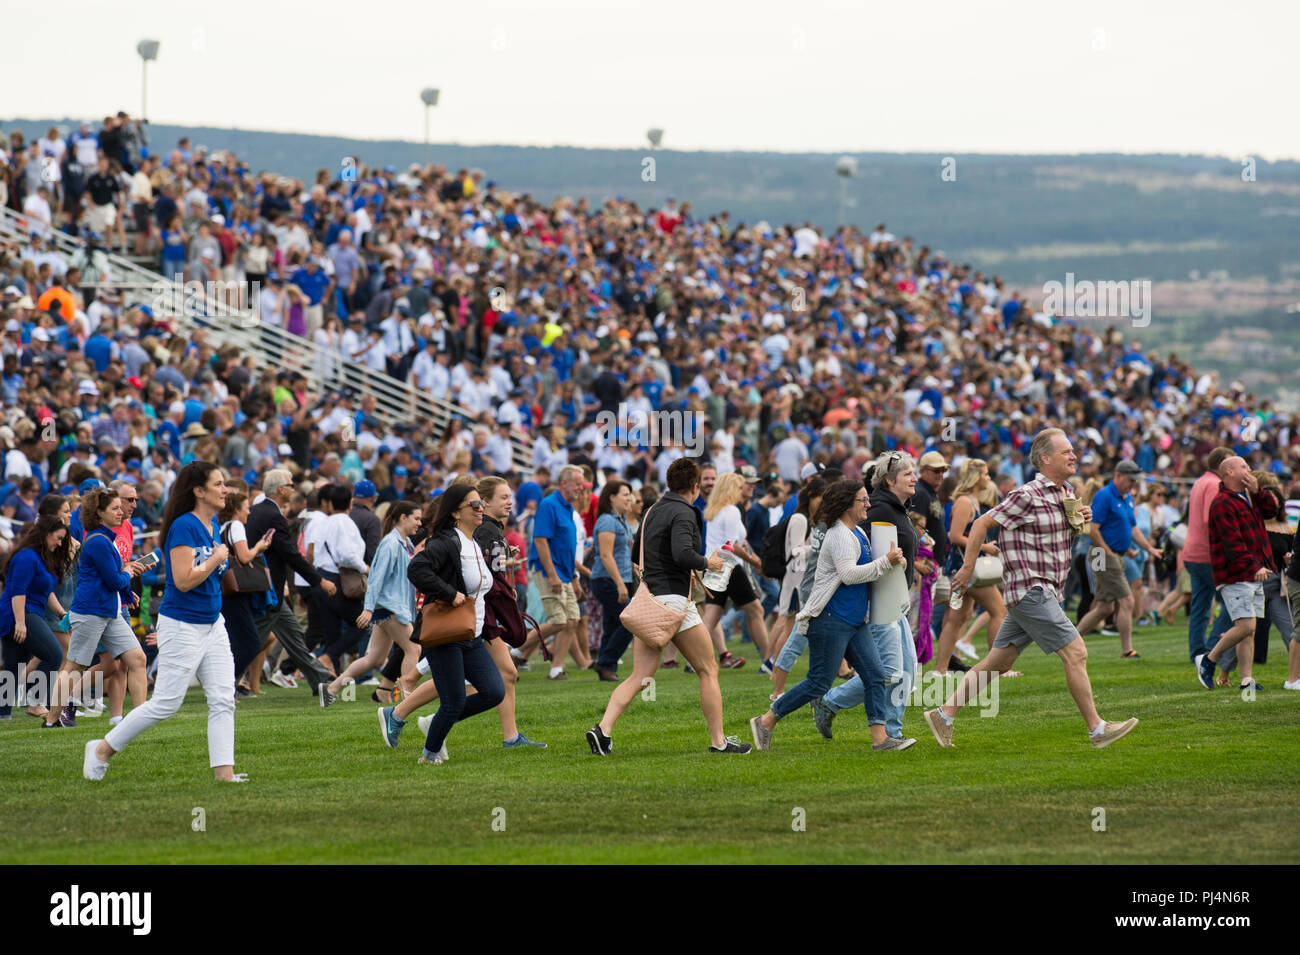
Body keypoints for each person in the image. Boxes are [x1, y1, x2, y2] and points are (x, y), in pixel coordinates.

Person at [923, 428, 1139, 750]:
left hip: (1043, 591)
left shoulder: (1065, 492)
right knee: (1077, 652)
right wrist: (967, 568)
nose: (1073, 456)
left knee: (999, 663)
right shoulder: (1027, 494)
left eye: (1072, 451)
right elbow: (982, 524)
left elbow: (1054, 538)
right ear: (1044, 458)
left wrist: (1080, 519)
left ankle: (943, 714)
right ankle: (1097, 729)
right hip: (1030, 589)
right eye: (1066, 452)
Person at [83, 461, 247, 782]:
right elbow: (184, 580)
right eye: (218, 483)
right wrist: (217, 557)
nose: (225, 489)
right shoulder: (184, 526)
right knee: (166, 704)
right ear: (198, 491)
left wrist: (218, 561)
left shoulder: (212, 525)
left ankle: (224, 775)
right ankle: (101, 749)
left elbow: (211, 576)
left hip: (213, 623)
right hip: (183, 623)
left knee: (223, 699)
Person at [587, 457, 752, 755]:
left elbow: (640, 554)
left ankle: (603, 729)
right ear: (696, 486)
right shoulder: (684, 511)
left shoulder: (651, 510)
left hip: (651, 601)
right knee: (708, 669)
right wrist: (707, 563)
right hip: (675, 603)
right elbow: (682, 552)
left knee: (640, 676)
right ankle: (719, 742)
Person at [749, 478, 904, 752]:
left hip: (855, 620)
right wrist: (885, 563)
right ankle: (766, 720)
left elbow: (868, 569)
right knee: (819, 682)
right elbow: (848, 574)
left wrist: (893, 564)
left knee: (875, 674)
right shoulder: (840, 534)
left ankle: (881, 739)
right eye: (863, 500)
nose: (868, 504)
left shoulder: (857, 532)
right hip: (831, 619)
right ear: (847, 505)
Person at [382, 483, 505, 765]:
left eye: (481, 504)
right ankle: (429, 756)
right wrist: (450, 594)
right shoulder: (447, 542)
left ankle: (425, 722)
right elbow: (417, 568)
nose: (481, 509)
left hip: (471, 635)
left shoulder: (473, 542)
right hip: (446, 635)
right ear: (455, 513)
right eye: (474, 505)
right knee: (454, 703)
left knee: (493, 692)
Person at [814, 453, 921, 746]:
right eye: (908, 474)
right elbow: (861, 557)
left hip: (894, 597)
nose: (915, 478)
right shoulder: (879, 510)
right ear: (889, 480)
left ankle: (834, 704)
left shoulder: (897, 508)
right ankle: (888, 732)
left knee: (907, 669)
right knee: (890, 671)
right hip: (878, 600)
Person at [46, 489, 147, 728]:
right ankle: (51, 720)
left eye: (120, 508)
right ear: (99, 513)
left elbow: (108, 581)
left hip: (108, 612)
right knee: (74, 666)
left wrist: (126, 591)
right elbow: (113, 579)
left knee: (137, 659)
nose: (121, 511)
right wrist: (128, 572)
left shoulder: (104, 538)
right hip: (91, 612)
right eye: (115, 508)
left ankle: (142, 719)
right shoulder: (99, 541)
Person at [246, 469, 337, 697]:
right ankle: (224, 681)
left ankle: (321, 680)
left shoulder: (258, 511)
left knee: (294, 636)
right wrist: (320, 581)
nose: (293, 489)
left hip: (269, 589)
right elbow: (292, 555)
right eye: (290, 485)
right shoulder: (273, 516)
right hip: (268, 591)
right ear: (280, 489)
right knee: (247, 641)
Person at [322, 500, 422, 705]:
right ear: (403, 518)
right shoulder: (391, 544)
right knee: (414, 649)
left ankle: (332, 688)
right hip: (390, 607)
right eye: (417, 518)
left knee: (374, 659)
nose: (419, 523)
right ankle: (408, 700)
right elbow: (377, 578)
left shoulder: (405, 543)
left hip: (390, 608)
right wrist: (368, 609)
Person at [1195, 457, 1273, 693]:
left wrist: (1258, 492)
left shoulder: (1248, 496)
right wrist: (1254, 566)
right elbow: (1233, 543)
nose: (1249, 470)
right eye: (1244, 467)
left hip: (1252, 571)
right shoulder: (1222, 503)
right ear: (1229, 471)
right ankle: (1208, 659)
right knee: (1247, 626)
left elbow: (1271, 510)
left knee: (1248, 629)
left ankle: (1246, 680)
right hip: (1235, 574)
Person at [1076, 461, 1162, 657]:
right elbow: (1092, 528)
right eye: (1130, 480)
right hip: (1102, 554)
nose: (1132, 485)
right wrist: (1108, 551)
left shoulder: (1127, 499)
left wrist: (1149, 548)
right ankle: (1127, 650)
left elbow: (1132, 529)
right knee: (1127, 600)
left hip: (1112, 554)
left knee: (1104, 607)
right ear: (1118, 476)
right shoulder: (1105, 496)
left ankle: (1070, 640)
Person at [933, 459, 1006, 674]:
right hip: (965, 568)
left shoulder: (972, 500)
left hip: (964, 567)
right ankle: (996, 667)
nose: (988, 478)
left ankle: (941, 669)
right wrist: (985, 547)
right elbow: (954, 536)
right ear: (975, 477)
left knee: (957, 618)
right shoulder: (965, 502)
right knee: (999, 611)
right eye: (985, 474)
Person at [0, 516, 72, 721]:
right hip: (18, 613)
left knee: (15, 664)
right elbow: (18, 591)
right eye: (58, 538)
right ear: (46, 534)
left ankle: (3, 713)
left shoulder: (42, 558)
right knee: (54, 654)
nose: (59, 543)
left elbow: (46, 592)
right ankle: (36, 701)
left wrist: (62, 614)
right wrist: (20, 623)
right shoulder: (26, 557)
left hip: (26, 612)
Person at [701, 471, 769, 667]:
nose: (742, 490)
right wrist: (756, 563)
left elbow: (739, 542)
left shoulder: (716, 510)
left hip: (714, 565)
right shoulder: (731, 511)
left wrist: (755, 561)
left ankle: (695, 658)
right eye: (739, 487)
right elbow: (733, 545)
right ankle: (768, 660)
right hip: (729, 566)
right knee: (756, 610)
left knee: (711, 618)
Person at [524, 464, 586, 680]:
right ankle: (516, 651)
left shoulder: (569, 508)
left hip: (566, 573)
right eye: (577, 484)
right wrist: (552, 575)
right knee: (559, 620)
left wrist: (574, 578)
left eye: (582, 484)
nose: (581, 488)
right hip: (548, 571)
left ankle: (556, 669)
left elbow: (567, 548)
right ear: (564, 483)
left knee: (572, 621)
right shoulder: (548, 505)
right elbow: (540, 541)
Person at [767, 476, 825, 696]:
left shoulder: (807, 519)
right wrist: (817, 548)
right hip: (795, 580)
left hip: (801, 579)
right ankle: (775, 670)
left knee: (790, 625)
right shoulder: (799, 519)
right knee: (789, 625)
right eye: (820, 497)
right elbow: (796, 551)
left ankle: (775, 669)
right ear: (811, 496)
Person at [218, 489, 275, 694]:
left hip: (225, 590)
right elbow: (244, 557)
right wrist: (259, 546)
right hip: (237, 591)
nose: (249, 513)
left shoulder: (223, 527)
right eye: (246, 508)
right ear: (236, 509)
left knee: (234, 642)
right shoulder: (236, 526)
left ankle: (228, 686)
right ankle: (228, 685)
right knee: (251, 643)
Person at [1183, 448, 1233, 661]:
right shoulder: (1214, 484)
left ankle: (1197, 651)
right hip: (1207, 554)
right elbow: (1210, 518)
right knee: (1233, 604)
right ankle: (1213, 649)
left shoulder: (1200, 481)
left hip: (1192, 552)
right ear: (1223, 465)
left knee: (1200, 606)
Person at [590, 479, 637, 682]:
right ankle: (605, 662)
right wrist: (619, 584)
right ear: (612, 497)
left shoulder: (622, 521)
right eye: (625, 494)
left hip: (622, 578)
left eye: (630, 494)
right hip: (607, 579)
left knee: (612, 624)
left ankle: (606, 667)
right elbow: (606, 556)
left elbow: (623, 551)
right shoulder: (607, 521)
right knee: (630, 622)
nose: (630, 498)